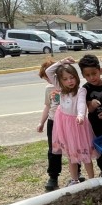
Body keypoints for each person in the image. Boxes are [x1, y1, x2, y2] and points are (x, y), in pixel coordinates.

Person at [45, 57, 97, 185]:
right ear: (61, 81)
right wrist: (62, 61)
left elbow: (81, 103)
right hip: (64, 126)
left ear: (76, 77)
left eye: (72, 77)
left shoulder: (81, 90)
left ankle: (92, 180)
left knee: (85, 155)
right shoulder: (61, 89)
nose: (69, 81)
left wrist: (80, 115)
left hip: (78, 126)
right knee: (71, 155)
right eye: (65, 79)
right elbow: (49, 71)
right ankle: (74, 180)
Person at [79, 54, 102, 177]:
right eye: (87, 75)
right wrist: (92, 105)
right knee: (99, 148)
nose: (92, 77)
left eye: (94, 73)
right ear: (83, 76)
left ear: (100, 71)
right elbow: (88, 109)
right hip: (94, 124)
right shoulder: (85, 89)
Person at [36, 57, 63, 191]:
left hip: (67, 122)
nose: (48, 80)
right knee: (54, 149)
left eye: (49, 77)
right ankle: (53, 176)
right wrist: (42, 122)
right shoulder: (48, 89)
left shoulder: (67, 84)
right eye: (46, 78)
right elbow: (47, 106)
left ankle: (77, 171)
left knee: (71, 146)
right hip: (53, 121)